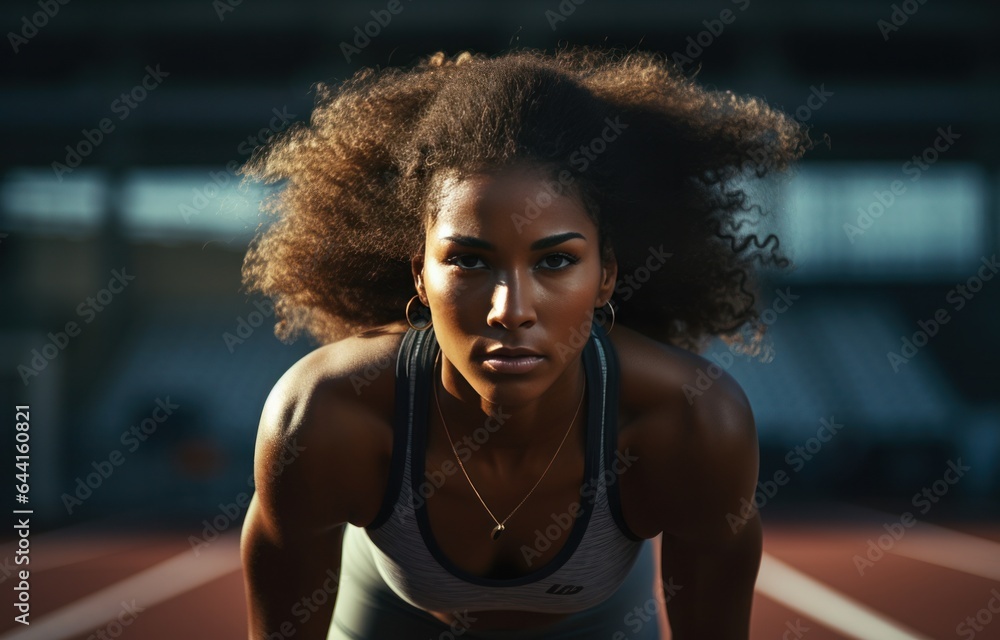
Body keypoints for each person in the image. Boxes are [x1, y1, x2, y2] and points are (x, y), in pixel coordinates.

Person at [238, 46, 810, 639]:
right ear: (419, 275)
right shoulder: (324, 417)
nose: (510, 310)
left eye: (556, 260)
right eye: (467, 261)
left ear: (606, 275)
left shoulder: (693, 422)